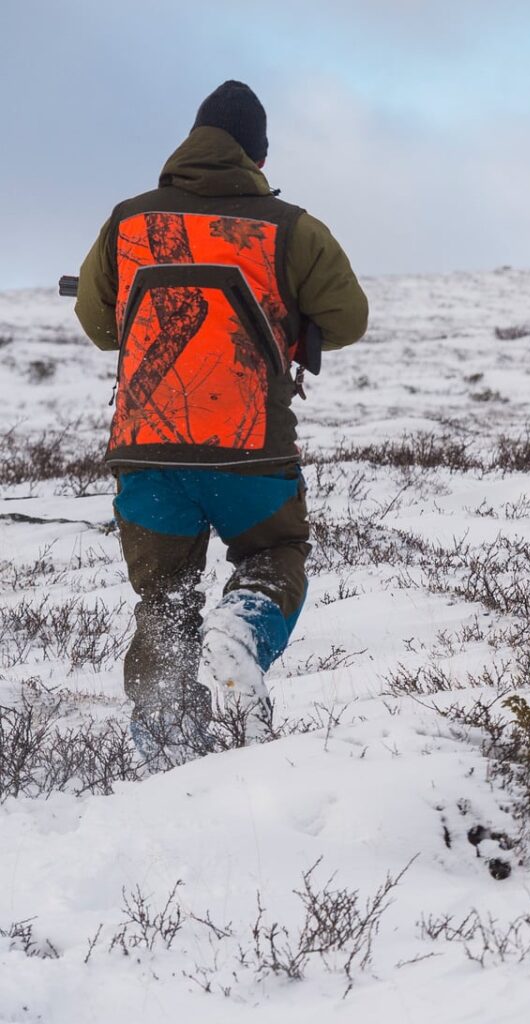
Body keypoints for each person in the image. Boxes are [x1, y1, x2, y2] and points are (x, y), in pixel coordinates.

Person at [71, 80, 368, 764]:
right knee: (274, 556)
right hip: (249, 453)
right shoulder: (292, 227)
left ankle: (165, 739)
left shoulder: (128, 221)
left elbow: (97, 324)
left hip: (146, 451)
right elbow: (348, 320)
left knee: (165, 597)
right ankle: (244, 627)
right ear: (258, 157)